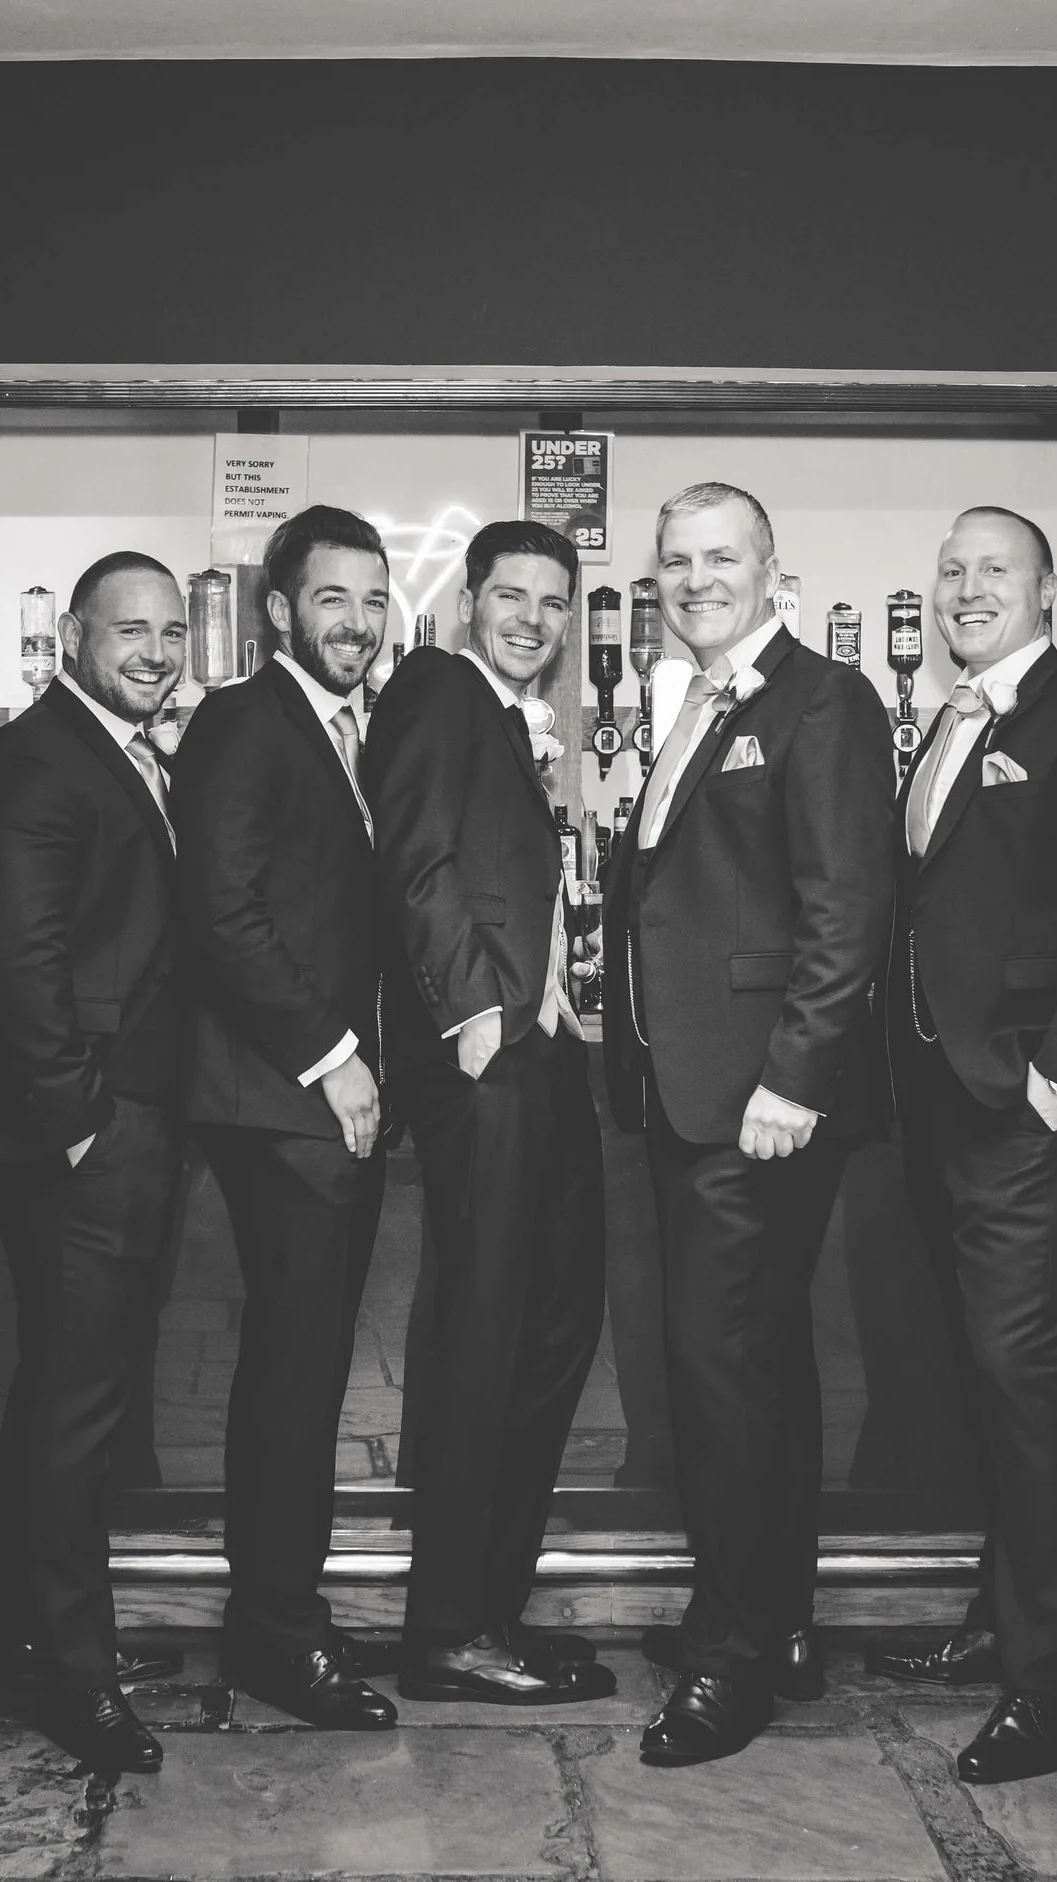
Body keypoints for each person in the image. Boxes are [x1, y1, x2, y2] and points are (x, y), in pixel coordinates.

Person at [866, 506, 1057, 1783]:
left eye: (995, 569)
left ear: (1047, 592)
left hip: (1028, 1111)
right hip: (943, 1107)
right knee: (991, 1379)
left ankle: (1050, 1684)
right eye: (950, 571)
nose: (966, 587)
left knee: (1021, 1376)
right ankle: (1003, 1617)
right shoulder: (946, 718)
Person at [600, 482, 896, 1765]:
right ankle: (773, 1621)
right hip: (693, 1090)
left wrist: (796, 1077)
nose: (694, 577)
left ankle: (731, 1659)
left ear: (776, 570)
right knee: (752, 1364)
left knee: (724, 1371)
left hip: (757, 1098)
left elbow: (848, 908)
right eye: (675, 560)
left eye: (721, 557)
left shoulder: (821, 700)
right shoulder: (694, 700)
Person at [363, 519, 614, 1706]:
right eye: (508, 595)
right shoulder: (432, 686)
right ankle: (447, 1629)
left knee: (554, 1324)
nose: (531, 617)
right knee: (484, 1337)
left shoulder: (515, 723)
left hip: (542, 1053)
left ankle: (492, 1608)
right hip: (488, 1058)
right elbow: (412, 859)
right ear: (467, 603)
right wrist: (474, 1014)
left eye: (553, 601)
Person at [0, 551, 195, 1773]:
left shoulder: (128, 750)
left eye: (168, 630)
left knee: (62, 1391)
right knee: (79, 1407)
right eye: (127, 630)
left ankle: (27, 1636)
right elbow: (20, 959)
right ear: (71, 637)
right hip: (81, 1135)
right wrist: (80, 1123)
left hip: (121, 1118)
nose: (153, 651)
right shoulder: (38, 757)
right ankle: (75, 1673)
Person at [173, 504, 397, 1730]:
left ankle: (279, 1614)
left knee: (299, 1371)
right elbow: (222, 912)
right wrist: (331, 1057)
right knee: (294, 1375)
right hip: (280, 1097)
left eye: (372, 599)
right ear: (277, 611)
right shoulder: (243, 719)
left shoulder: (342, 726)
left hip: (311, 1092)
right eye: (331, 599)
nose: (356, 622)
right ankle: (274, 1635)